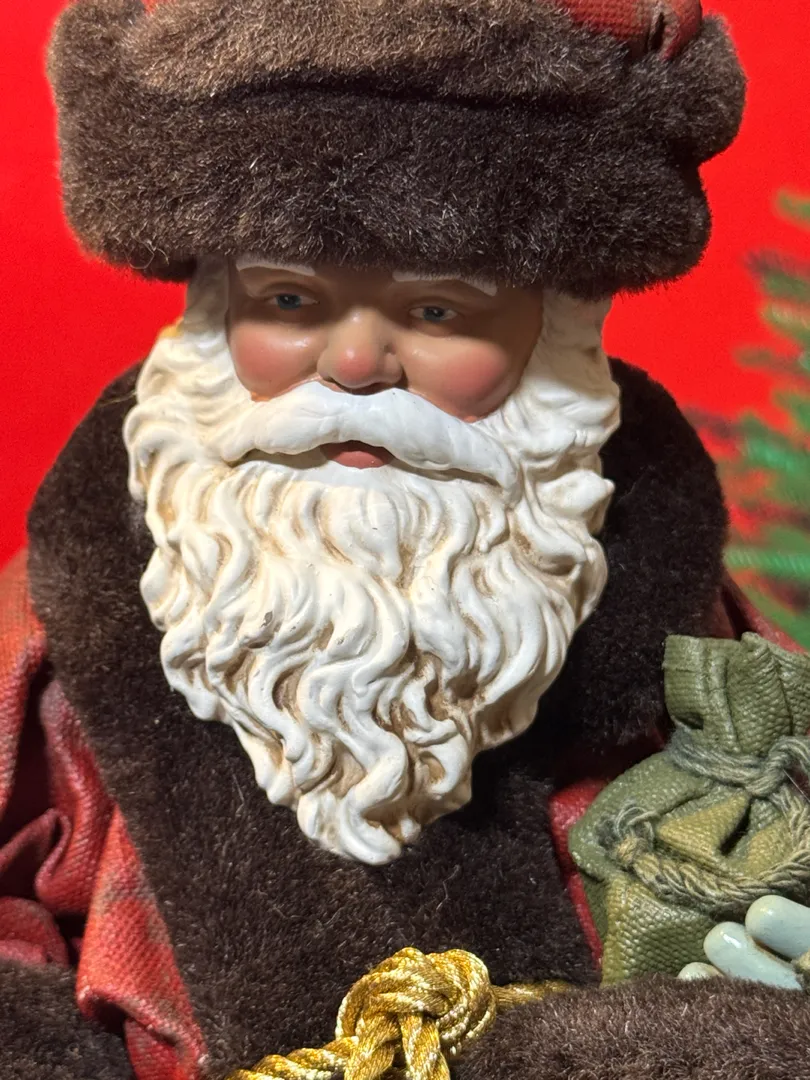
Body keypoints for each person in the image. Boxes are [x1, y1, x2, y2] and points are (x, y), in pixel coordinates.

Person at [3, 1, 809, 1077]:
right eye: (291, 299)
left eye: (438, 312)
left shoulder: (686, 644)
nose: (353, 365)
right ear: (215, 313)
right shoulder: (58, 650)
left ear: (555, 334)